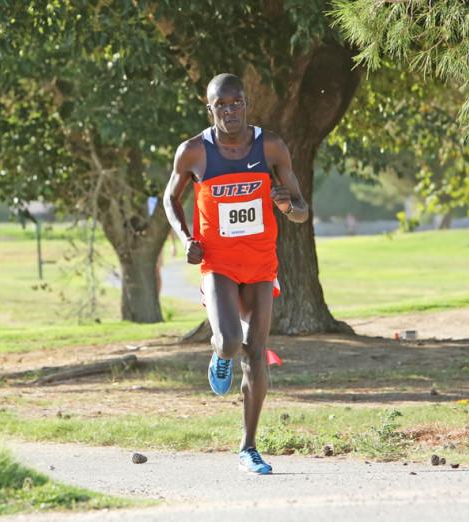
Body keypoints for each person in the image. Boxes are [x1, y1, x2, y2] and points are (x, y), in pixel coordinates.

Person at [163, 73, 308, 475]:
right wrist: (186, 236)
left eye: (237, 103)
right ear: (209, 108)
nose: (230, 111)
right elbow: (169, 197)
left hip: (261, 264)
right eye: (221, 105)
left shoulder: (271, 146)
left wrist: (287, 207)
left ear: (246, 103)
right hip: (219, 262)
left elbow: (301, 211)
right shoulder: (194, 152)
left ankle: (249, 447)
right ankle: (219, 354)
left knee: (256, 354)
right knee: (230, 343)